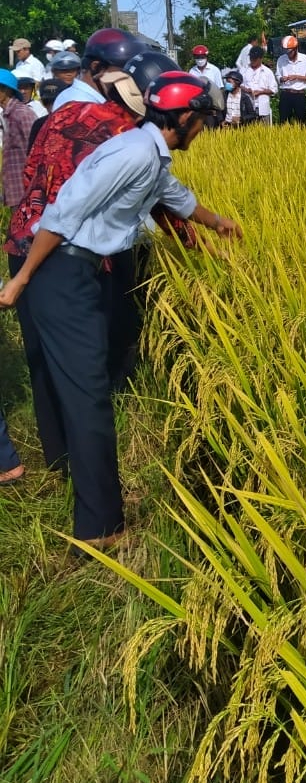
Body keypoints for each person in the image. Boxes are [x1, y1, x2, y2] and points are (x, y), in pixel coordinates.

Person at [0, 71, 242, 550]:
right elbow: (65, 208)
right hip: (61, 272)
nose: (204, 130)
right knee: (89, 396)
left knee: (82, 390)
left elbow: (174, 196)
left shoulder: (148, 154)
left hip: (77, 272)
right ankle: (101, 529)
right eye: (203, 122)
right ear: (184, 118)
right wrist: (22, 278)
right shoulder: (134, 152)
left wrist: (219, 224)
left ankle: (89, 502)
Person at [7, 50, 181, 471]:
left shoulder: (54, 115)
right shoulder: (118, 130)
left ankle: (58, 460)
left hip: (25, 241)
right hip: (67, 254)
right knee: (86, 371)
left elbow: (33, 182)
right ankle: (93, 499)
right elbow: (145, 193)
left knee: (43, 357)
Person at [53, 28, 145, 111]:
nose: (130, 80)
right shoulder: (80, 105)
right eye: (123, 73)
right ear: (97, 67)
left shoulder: (91, 100)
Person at [0, 68, 38, 206]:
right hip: (15, 190)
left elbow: (36, 150)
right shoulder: (7, 114)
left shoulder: (22, 114)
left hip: (26, 191)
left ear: (7, 90)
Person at [275, 35, 306, 124]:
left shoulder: (305, 59)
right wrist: (281, 79)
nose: (288, 54)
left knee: (302, 123)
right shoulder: (281, 59)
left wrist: (296, 77)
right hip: (285, 94)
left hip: (299, 95)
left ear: (295, 48)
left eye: (290, 52)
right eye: (286, 51)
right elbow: (277, 75)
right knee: (283, 123)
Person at [241, 46, 277, 123]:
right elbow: (238, 85)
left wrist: (261, 92)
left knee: (265, 132)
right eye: (251, 58)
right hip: (247, 108)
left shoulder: (267, 72)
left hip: (263, 108)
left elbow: (274, 90)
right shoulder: (243, 70)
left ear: (261, 58)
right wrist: (246, 90)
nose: (252, 60)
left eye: (255, 59)